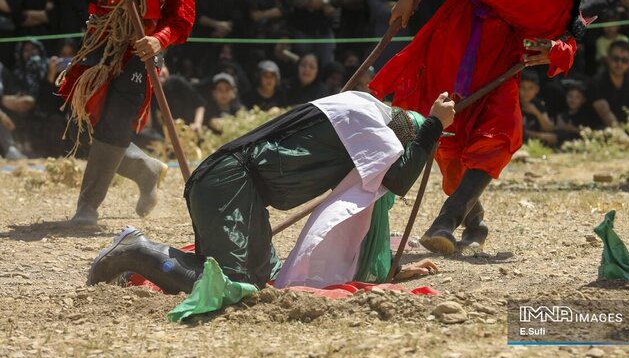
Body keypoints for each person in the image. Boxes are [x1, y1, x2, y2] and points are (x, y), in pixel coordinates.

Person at [369, 0, 612, 255]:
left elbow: (568, 39)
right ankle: (474, 222)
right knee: (448, 141)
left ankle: (445, 221)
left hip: (502, 60)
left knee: (502, 133)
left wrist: (555, 51)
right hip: (457, 37)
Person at [87, 91, 454, 293]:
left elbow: (370, 215)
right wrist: (435, 124)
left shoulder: (363, 113)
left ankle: (144, 262)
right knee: (232, 286)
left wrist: (387, 269)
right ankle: (136, 251)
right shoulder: (377, 135)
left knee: (262, 280)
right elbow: (399, 179)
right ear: (399, 142)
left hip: (236, 185)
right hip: (229, 182)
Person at [56, 0, 195, 226]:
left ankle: (87, 207)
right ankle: (146, 170)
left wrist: (159, 40)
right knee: (86, 107)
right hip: (101, 36)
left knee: (117, 120)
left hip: (142, 44)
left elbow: (182, 16)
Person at [589, 40, 629, 127]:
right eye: (615, 59)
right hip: (604, 132)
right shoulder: (597, 82)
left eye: (624, 60)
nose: (619, 63)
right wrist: (622, 136)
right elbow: (605, 114)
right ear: (608, 59)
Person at [519, 70, 554, 144]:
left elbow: (549, 128)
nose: (526, 92)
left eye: (530, 88)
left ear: (537, 89)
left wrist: (536, 112)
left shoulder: (538, 103)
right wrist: (540, 136)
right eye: (523, 87)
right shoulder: (514, 103)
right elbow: (518, 131)